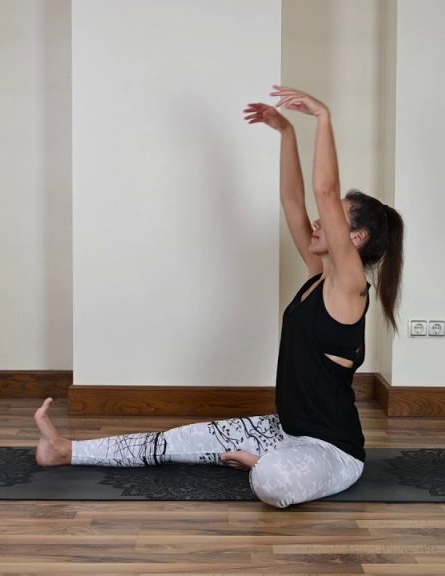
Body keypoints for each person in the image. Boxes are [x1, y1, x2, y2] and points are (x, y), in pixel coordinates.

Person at [33, 86, 404, 508]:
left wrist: (323, 118)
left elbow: (324, 190)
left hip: (330, 451)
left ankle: (260, 465)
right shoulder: (318, 276)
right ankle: (65, 450)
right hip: (282, 430)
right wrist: (286, 133)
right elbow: (292, 201)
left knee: (274, 483)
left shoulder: (350, 288)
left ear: (356, 238)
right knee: (173, 442)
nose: (320, 221)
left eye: (334, 216)